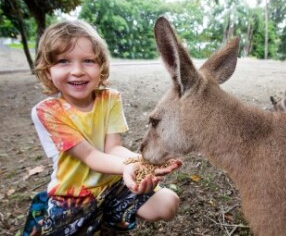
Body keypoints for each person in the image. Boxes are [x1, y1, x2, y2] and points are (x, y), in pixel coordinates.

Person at [23, 20, 182, 235]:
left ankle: (109, 220)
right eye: (63, 61)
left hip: (112, 185)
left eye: (88, 60)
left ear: (101, 66)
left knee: (168, 202)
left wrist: (144, 164)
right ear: (48, 70)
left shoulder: (110, 99)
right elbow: (90, 156)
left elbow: (113, 148)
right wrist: (129, 167)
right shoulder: (48, 111)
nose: (77, 71)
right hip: (73, 197)